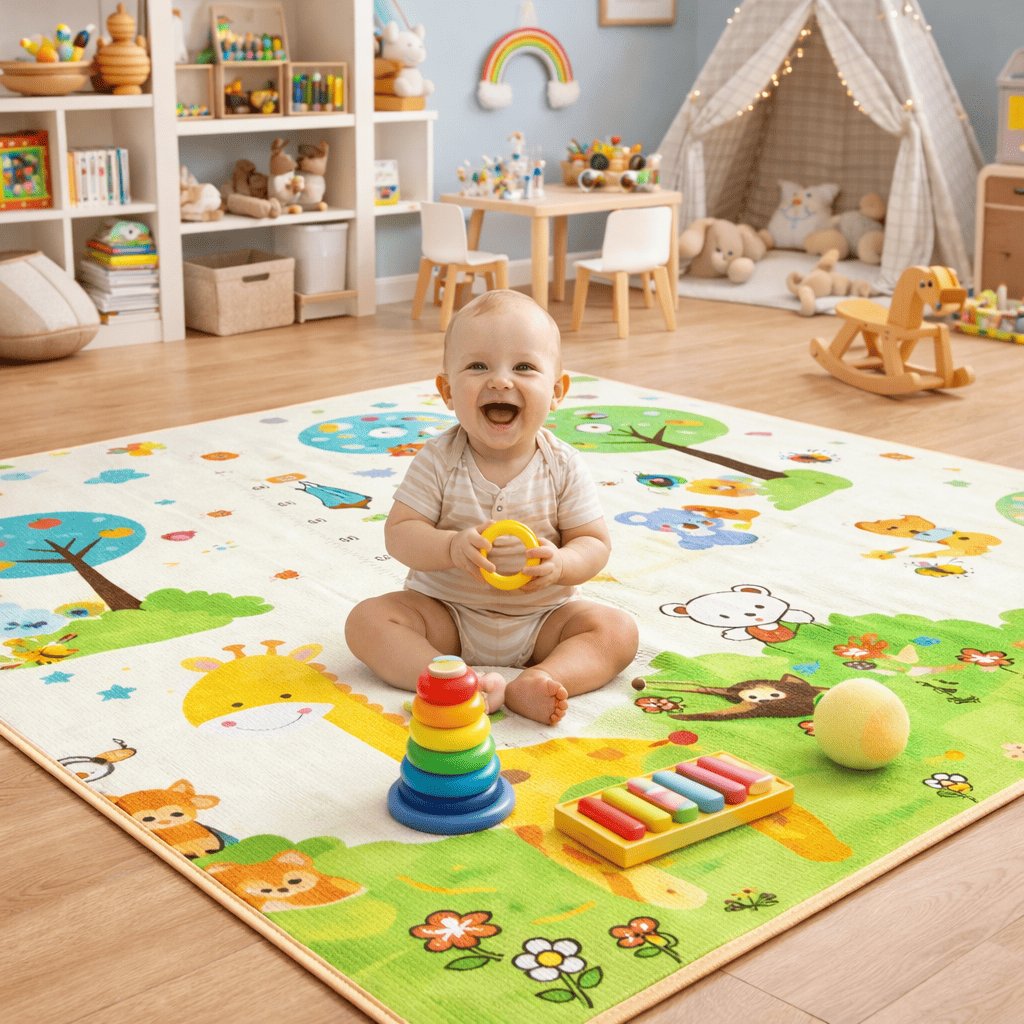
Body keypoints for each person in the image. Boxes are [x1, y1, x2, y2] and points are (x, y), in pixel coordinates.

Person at [345, 289, 638, 725]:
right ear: (447, 391)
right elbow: (400, 533)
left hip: (543, 619)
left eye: (524, 367)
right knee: (366, 621)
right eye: (478, 366)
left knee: (617, 631)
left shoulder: (562, 464)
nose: (500, 381)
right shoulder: (438, 459)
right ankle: (453, 682)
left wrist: (561, 563)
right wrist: (449, 547)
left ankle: (539, 679)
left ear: (557, 391)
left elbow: (593, 543)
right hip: (445, 614)